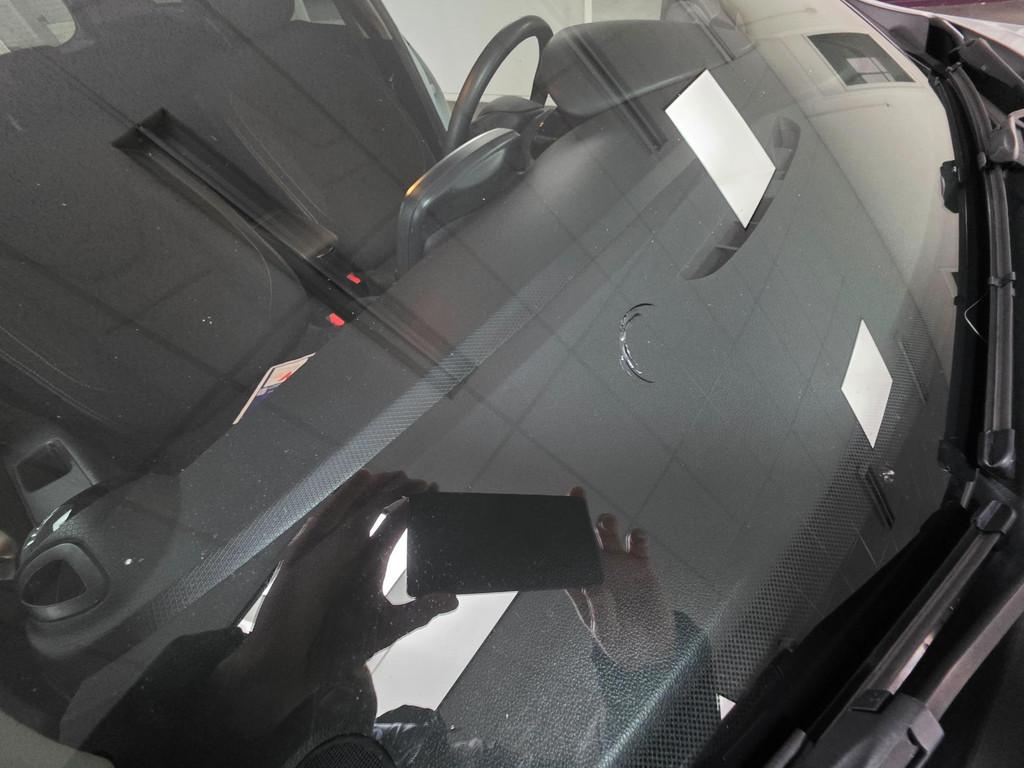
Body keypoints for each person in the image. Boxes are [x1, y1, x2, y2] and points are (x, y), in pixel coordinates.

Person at [81, 470, 706, 767]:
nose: (343, 677)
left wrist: (649, 671)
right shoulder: (427, 748)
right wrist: (261, 680)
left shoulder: (440, 752)